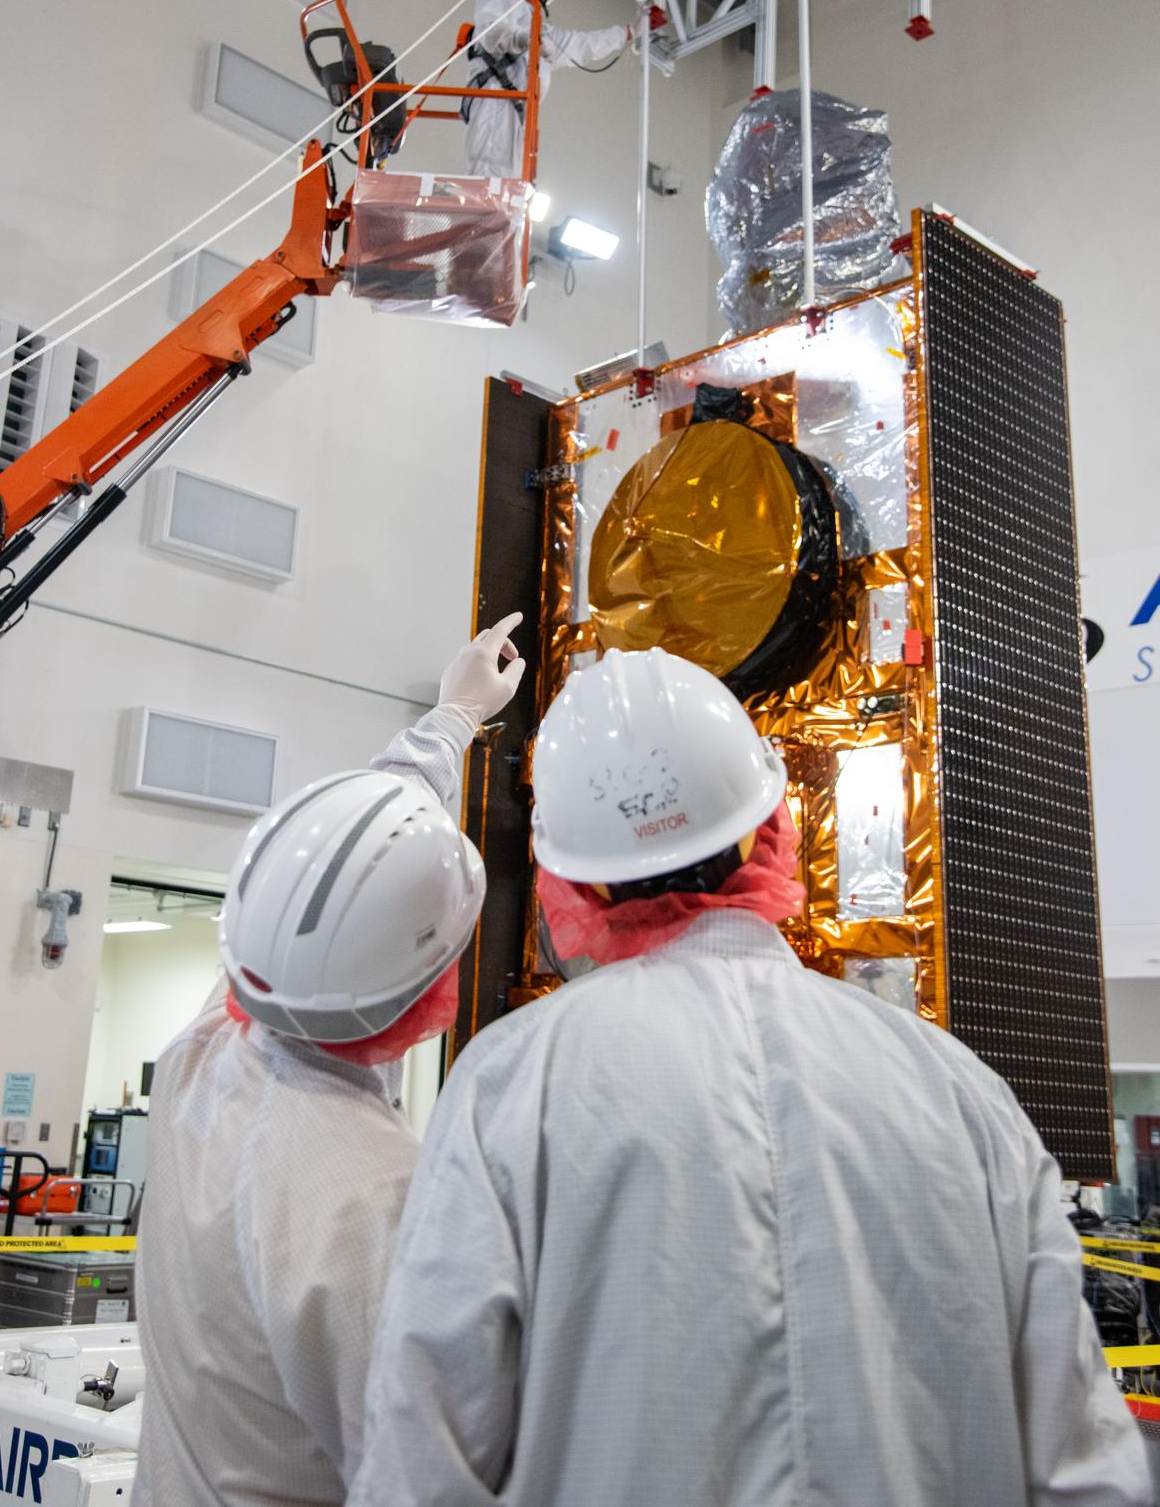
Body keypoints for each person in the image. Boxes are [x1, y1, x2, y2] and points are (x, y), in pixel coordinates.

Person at [349, 646, 1150, 1507]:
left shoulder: (512, 1083)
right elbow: (1086, 1471)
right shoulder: (957, 1089)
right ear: (776, 828)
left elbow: (420, 1464)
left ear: (566, 883)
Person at [133, 614, 525, 1507]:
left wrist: (454, 717)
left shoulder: (198, 1061)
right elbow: (426, 1480)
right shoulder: (375, 1198)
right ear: (436, 988)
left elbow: (327, 891)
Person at [462, 0, 667, 179]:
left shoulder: (538, 24)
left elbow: (582, 45)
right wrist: (528, 39)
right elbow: (492, 31)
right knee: (488, 176)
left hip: (515, 110)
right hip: (494, 101)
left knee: (506, 183)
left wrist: (629, 31)